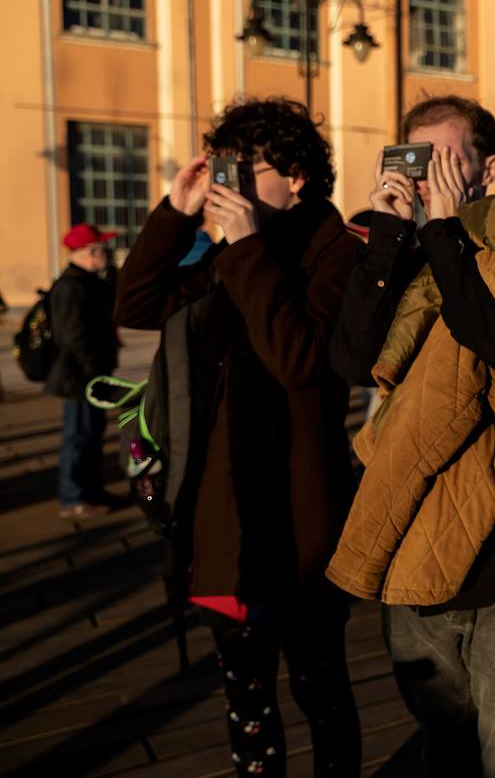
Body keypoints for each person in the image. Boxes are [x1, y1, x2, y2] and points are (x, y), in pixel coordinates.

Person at [327, 96, 495, 778]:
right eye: (418, 159)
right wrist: (389, 230)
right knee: (443, 748)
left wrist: (441, 234)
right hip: (413, 546)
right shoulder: (404, 253)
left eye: (446, 159)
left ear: (488, 167)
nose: (429, 176)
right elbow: (352, 360)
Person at [114, 97, 362, 777]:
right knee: (247, 705)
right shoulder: (229, 255)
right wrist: (174, 212)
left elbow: (300, 359)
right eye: (228, 171)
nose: (233, 189)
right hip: (223, 521)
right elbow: (135, 306)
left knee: (323, 695)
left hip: (305, 522)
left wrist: (248, 247)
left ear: (300, 176)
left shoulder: (336, 252)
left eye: (248, 172)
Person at [47, 223, 120, 518]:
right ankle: (73, 498)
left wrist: (112, 269)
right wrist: (92, 369)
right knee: (78, 436)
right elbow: (72, 335)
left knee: (92, 435)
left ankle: (91, 490)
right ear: (89, 251)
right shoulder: (71, 285)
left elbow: (117, 297)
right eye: (103, 249)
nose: (107, 253)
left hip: (92, 373)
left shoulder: (89, 280)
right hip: (80, 377)